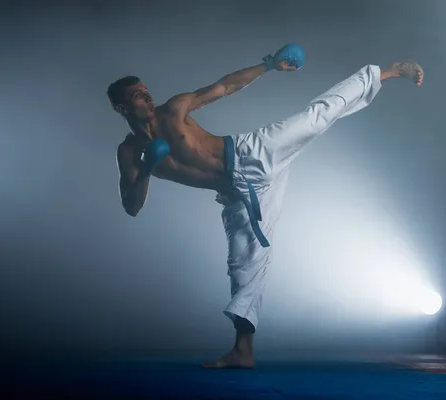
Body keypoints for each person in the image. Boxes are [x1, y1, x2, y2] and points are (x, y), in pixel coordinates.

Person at [108, 44, 424, 369]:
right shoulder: (129, 152)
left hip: (252, 154)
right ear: (122, 108)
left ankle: (390, 71)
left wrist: (269, 65)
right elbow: (131, 206)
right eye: (138, 96)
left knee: (316, 117)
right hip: (235, 194)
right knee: (243, 268)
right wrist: (146, 168)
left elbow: (223, 86)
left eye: (146, 91)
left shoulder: (172, 110)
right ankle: (243, 352)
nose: (148, 97)